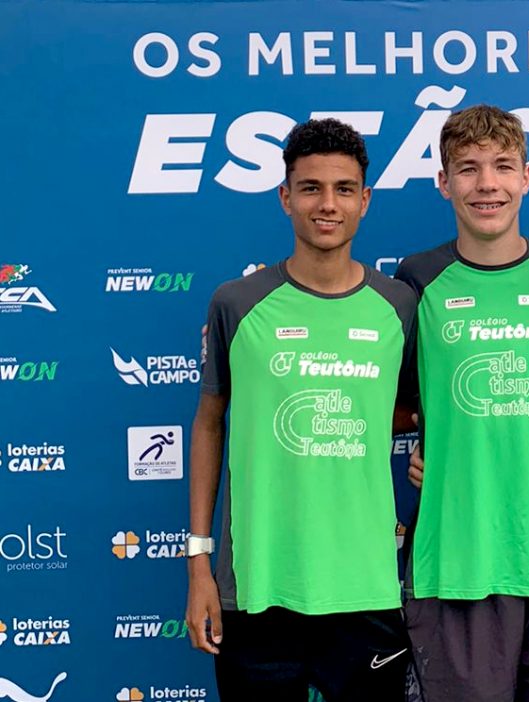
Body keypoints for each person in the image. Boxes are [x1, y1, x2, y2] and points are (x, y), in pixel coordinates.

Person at [184, 118, 416, 701]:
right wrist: (198, 564)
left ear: (365, 200)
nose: (327, 204)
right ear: (285, 197)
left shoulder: (399, 306)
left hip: (365, 588)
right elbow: (209, 424)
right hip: (257, 587)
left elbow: (414, 413)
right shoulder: (237, 303)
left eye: (344, 189)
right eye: (311, 188)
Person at [395, 104, 529, 702]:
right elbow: (388, 401)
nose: (487, 184)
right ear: (443, 182)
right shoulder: (417, 278)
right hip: (458, 562)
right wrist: (439, 444)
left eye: (504, 166)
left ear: (527, 177)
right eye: (468, 168)